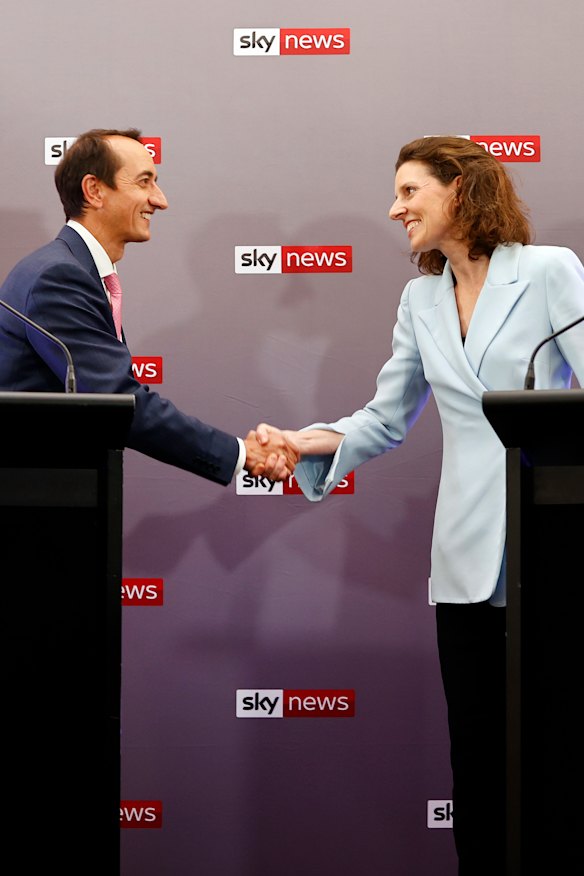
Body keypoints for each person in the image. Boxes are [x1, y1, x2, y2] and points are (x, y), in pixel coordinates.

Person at [257, 136, 584, 874]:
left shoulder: (548, 272)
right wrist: (301, 442)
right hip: (465, 560)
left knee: (554, 757)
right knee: (477, 761)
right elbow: (384, 416)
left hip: (552, 549)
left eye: (409, 192)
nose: (394, 207)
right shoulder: (420, 298)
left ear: (462, 190)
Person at [0, 127, 299, 484]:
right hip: (36, 496)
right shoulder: (60, 277)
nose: (160, 200)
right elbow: (115, 400)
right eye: (144, 182)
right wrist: (240, 454)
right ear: (94, 191)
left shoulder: (72, 269)